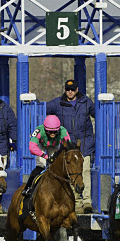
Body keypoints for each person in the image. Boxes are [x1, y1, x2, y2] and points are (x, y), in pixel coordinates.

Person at [46, 79, 96, 214]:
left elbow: (99, 114)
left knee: (84, 171)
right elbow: (41, 109)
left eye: (72, 89)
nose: (70, 92)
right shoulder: (57, 103)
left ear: (77, 90)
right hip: (68, 145)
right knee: (71, 173)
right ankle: (77, 203)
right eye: (68, 89)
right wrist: (34, 101)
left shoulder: (86, 102)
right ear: (65, 90)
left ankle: (87, 202)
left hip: (84, 144)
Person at [23, 114, 72, 197]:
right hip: (41, 145)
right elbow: (32, 147)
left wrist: (56, 155)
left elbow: (68, 146)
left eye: (55, 132)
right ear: (45, 129)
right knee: (41, 166)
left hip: (54, 146)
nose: (53, 134)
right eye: (50, 131)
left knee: (55, 166)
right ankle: (28, 188)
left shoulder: (63, 131)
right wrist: (45, 156)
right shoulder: (39, 130)